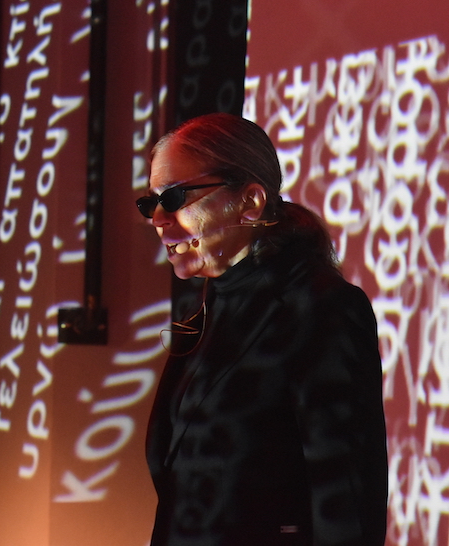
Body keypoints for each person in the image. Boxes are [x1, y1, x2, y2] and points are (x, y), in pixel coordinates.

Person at [138, 113, 388, 545]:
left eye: (175, 197)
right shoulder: (207, 312)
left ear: (250, 202)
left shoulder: (319, 308)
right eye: (150, 203)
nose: (157, 218)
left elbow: (346, 499)